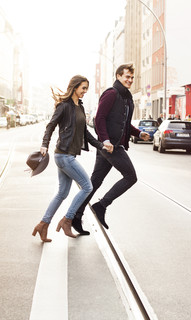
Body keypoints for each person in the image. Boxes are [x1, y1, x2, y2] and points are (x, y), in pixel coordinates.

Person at [72, 63, 150, 234]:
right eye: (126, 77)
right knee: (131, 177)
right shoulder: (111, 94)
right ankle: (102, 205)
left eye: (131, 77)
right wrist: (105, 140)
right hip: (110, 146)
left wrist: (138, 133)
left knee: (94, 182)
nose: (130, 80)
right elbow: (99, 118)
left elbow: (124, 123)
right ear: (118, 76)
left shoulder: (127, 97)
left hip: (110, 146)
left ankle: (75, 216)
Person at [32, 75, 109, 242]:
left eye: (86, 89)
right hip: (63, 155)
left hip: (67, 155)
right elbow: (51, 125)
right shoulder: (64, 106)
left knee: (62, 193)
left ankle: (43, 225)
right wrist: (44, 144)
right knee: (87, 186)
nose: (85, 92)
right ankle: (68, 219)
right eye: (83, 88)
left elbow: (86, 134)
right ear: (74, 87)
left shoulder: (79, 107)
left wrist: (101, 145)